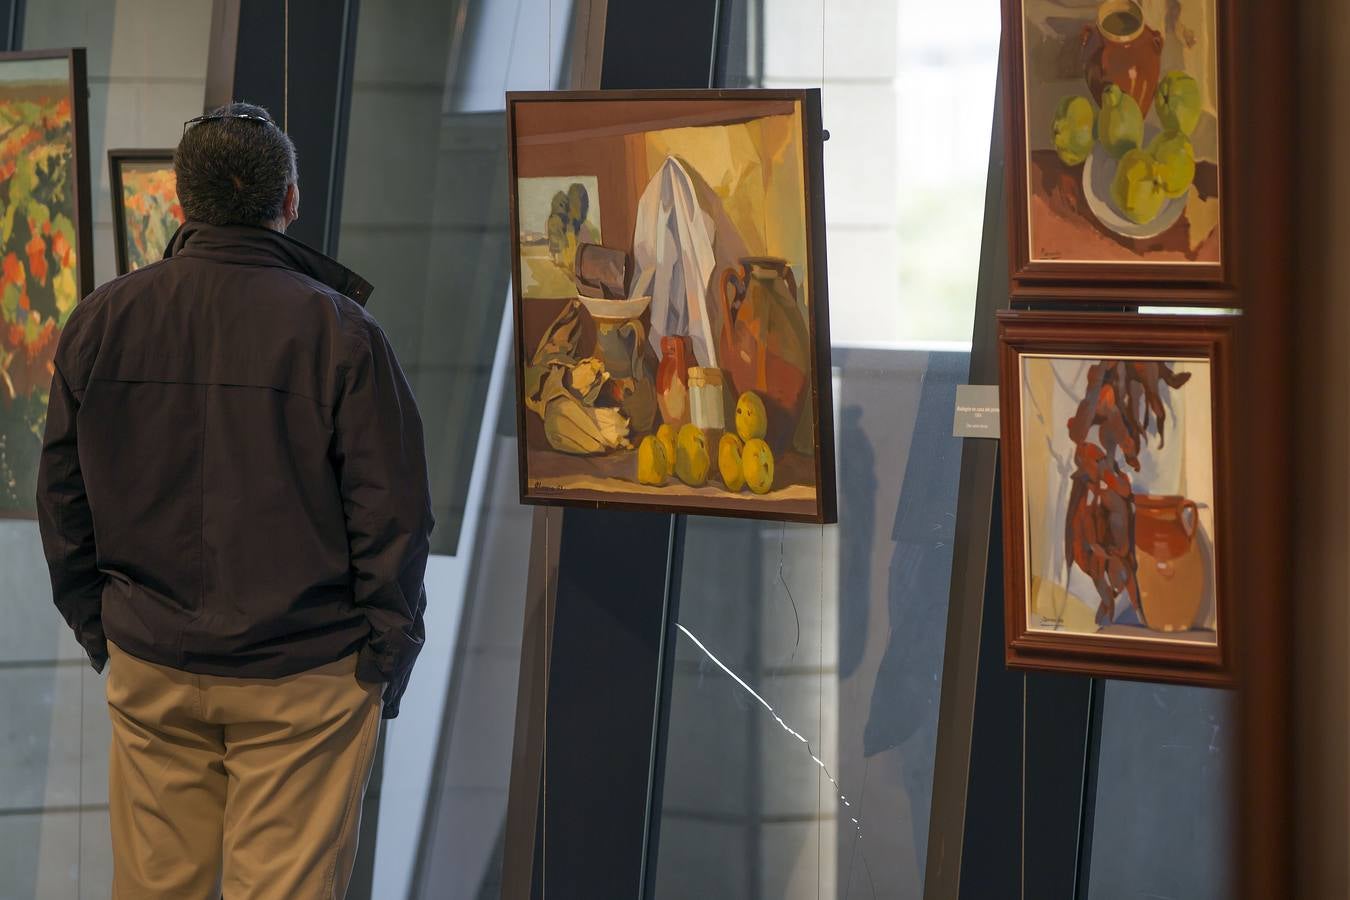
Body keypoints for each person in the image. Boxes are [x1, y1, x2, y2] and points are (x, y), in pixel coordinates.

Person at [35, 101, 433, 899]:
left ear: (181, 203)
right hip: (307, 677)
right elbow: (391, 516)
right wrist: (384, 660)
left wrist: (104, 630)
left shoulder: (100, 322)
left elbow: (63, 503)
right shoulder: (342, 334)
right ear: (289, 201)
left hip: (151, 662)